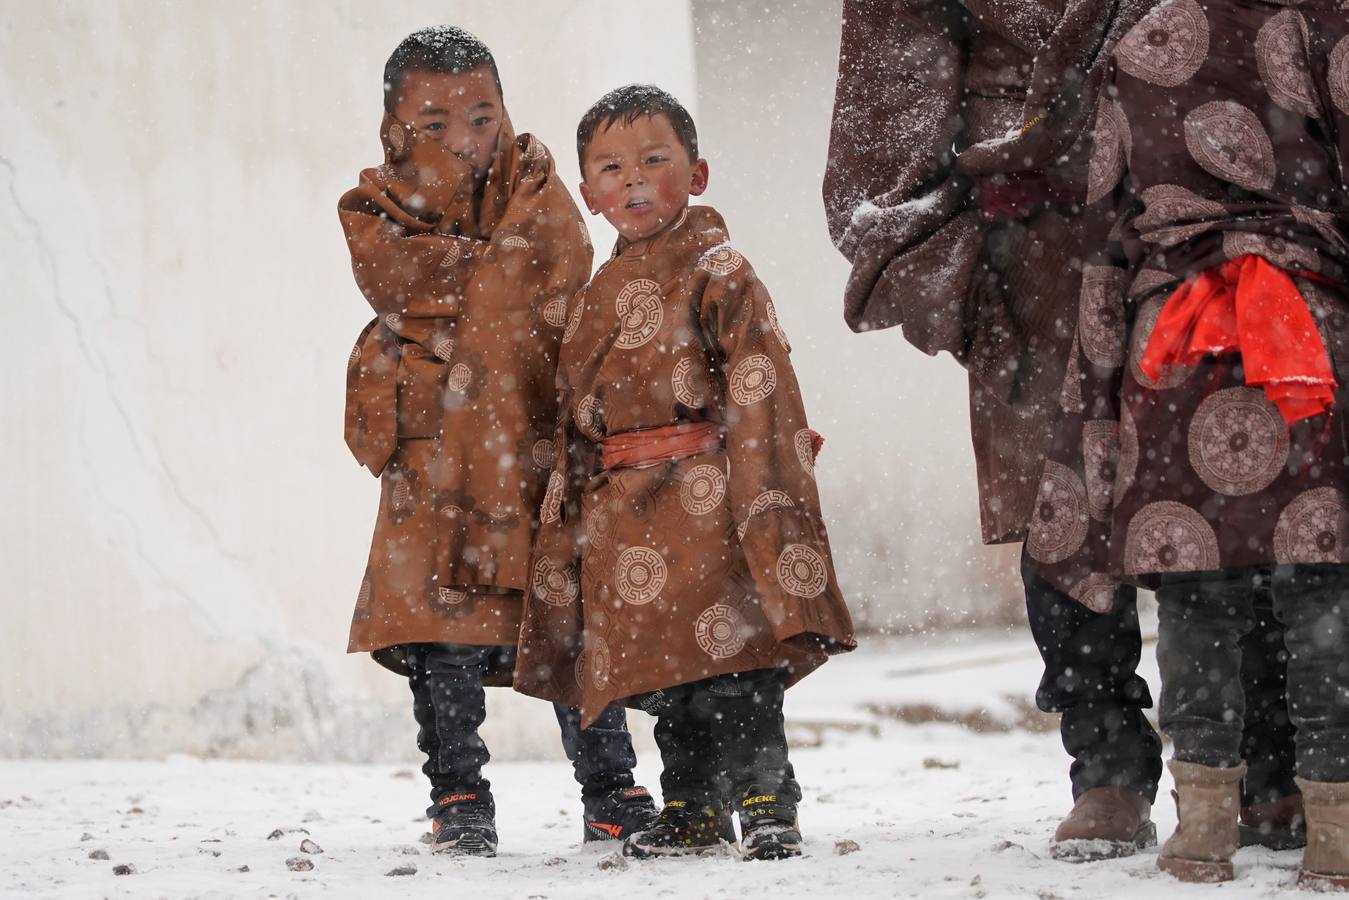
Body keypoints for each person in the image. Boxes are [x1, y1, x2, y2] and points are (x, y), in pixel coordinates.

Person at [823, 0, 1302, 859]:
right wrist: (964, 242)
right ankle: (1108, 765)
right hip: (1037, 245)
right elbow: (886, 125)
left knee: (1237, 485)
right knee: (1060, 511)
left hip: (1209, 219)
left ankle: (1267, 761)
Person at [1026, 0, 1349, 884]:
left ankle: (1201, 824)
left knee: (1196, 592)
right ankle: (1335, 827)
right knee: (1319, 591)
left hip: (1168, 344)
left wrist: (1090, 401)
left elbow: (1103, 239)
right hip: (1302, 337)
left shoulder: (1131, 39)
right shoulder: (1320, 23)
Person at [512, 84, 856, 861]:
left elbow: (759, 380)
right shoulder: (592, 296)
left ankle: (768, 800)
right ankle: (693, 805)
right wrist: (568, 508)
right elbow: (574, 410)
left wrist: (763, 486)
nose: (632, 180)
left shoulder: (721, 269)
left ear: (697, 175)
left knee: (733, 663)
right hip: (624, 508)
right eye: (609, 167)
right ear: (589, 195)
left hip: (707, 494)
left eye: (654, 160)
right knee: (664, 677)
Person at [337, 27, 653, 856]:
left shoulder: (541, 186)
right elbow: (395, 277)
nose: (464, 140)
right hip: (432, 451)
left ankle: (612, 789)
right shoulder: (373, 202)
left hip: (533, 432)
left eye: (481, 117)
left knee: (567, 617)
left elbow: (555, 270)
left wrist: (460, 321)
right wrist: (492, 291)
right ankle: (458, 796)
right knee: (440, 629)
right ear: (395, 127)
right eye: (434, 126)